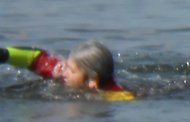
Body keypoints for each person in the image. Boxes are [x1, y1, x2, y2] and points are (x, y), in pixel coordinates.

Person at [3, 40, 133, 99]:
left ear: (92, 80)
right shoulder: (65, 70)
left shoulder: (117, 97)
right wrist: (3, 55)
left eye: (70, 70)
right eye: (66, 64)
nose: (63, 71)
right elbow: (37, 58)